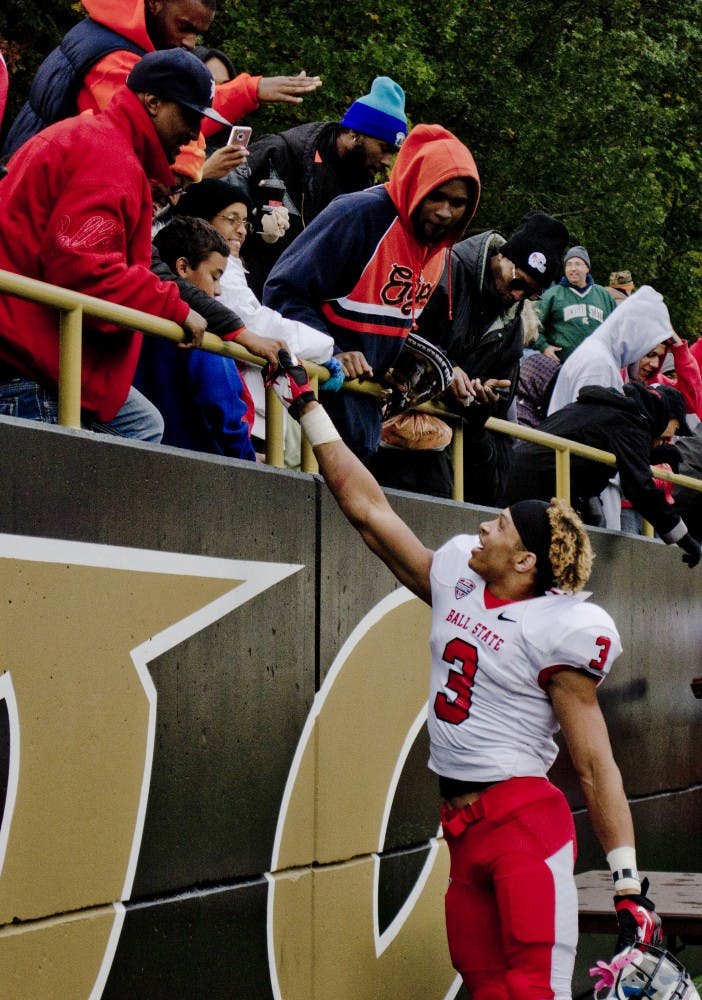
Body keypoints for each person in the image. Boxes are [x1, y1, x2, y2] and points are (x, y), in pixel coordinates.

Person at [261, 349, 664, 999]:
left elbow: (595, 765)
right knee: (484, 989)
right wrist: (307, 409)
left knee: (531, 992)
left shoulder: (558, 630)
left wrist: (627, 884)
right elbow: (369, 513)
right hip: (461, 831)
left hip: (523, 826)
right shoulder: (457, 579)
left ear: (526, 559)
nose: (481, 525)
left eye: (499, 525)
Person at [0, 48, 224, 440]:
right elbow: (82, 271)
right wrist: (172, 306)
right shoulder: (108, 156)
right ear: (152, 102)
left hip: (28, 350)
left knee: (143, 424)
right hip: (27, 364)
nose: (195, 133)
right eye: (189, 116)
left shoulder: (96, 139)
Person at [263, 123, 481, 464]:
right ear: (415, 183)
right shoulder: (357, 214)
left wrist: (401, 366)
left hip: (360, 423)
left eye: (458, 203)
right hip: (308, 410)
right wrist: (331, 350)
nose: (444, 212)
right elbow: (281, 291)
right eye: (436, 195)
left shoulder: (438, 252)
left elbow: (384, 324)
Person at [2, 0, 322, 176]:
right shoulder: (115, 60)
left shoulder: (115, 35)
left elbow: (172, 106)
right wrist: (197, 172)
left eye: (198, 33)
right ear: (155, 3)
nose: (190, 43)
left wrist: (250, 89)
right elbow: (163, 132)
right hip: (34, 204)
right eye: (184, 27)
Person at [380, 210, 569, 500]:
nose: (518, 296)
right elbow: (397, 329)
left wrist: (484, 400)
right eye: (518, 282)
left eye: (531, 293)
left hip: (440, 441)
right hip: (391, 419)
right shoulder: (446, 269)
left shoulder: (512, 323)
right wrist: (446, 369)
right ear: (504, 256)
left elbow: (503, 393)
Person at [174, 176, 336, 456]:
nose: (241, 230)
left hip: (250, 424)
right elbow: (256, 323)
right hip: (240, 431)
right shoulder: (204, 275)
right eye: (231, 219)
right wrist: (326, 348)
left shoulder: (230, 265)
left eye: (245, 222)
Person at [239, 76, 408, 297]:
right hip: (246, 296)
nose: (387, 161)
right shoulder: (278, 153)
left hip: (300, 309)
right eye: (384, 148)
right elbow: (220, 204)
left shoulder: (364, 195)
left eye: (393, 153)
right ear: (354, 133)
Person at [502, 380, 702, 567]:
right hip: (536, 490)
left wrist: (660, 453)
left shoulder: (614, 410)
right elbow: (641, 489)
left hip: (522, 480)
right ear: (665, 416)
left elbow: (616, 446)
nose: (665, 440)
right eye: (664, 437)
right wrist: (683, 538)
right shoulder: (630, 423)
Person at [136, 216, 256, 459]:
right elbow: (224, 411)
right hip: (199, 473)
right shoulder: (203, 335)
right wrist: (249, 461)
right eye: (215, 276)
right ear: (182, 268)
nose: (219, 290)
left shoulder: (130, 317)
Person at [547, 285, 674, 416]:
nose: (656, 364)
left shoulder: (600, 355)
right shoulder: (599, 364)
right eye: (649, 350)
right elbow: (589, 426)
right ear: (635, 333)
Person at [532, 245, 616, 364]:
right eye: (569, 264)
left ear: (587, 268)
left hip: (596, 365)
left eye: (578, 264)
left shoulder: (603, 295)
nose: (573, 268)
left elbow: (616, 329)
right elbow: (531, 326)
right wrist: (544, 347)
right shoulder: (553, 295)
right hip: (561, 367)